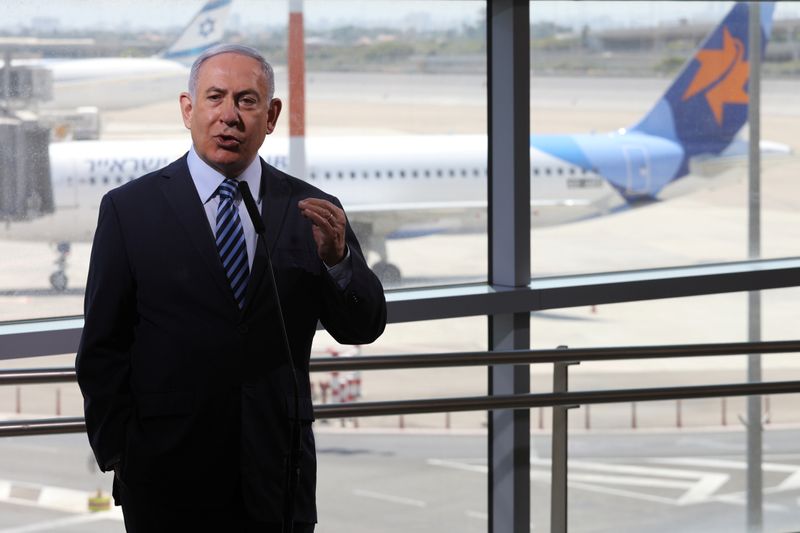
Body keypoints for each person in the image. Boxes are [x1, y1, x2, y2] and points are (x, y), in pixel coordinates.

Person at [75, 44, 387, 533]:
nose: (229, 116)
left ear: (271, 115)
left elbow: (362, 327)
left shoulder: (310, 208)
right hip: (165, 477)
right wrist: (122, 455)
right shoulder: (128, 210)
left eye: (247, 100)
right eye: (215, 97)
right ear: (187, 109)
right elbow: (101, 350)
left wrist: (339, 262)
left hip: (277, 475)